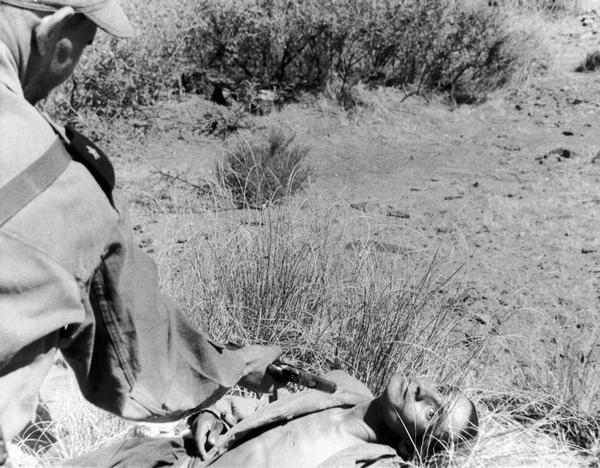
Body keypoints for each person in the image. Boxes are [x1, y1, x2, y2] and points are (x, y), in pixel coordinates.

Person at [0, 1, 282, 465]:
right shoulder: (61, 183)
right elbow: (145, 370)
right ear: (54, 32)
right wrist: (239, 364)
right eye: (84, 44)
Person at [66, 370, 479, 467]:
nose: (425, 391)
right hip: (179, 456)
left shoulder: (373, 461)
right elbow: (258, 405)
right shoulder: (339, 384)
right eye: (439, 388)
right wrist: (211, 411)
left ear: (409, 445)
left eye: (431, 413)